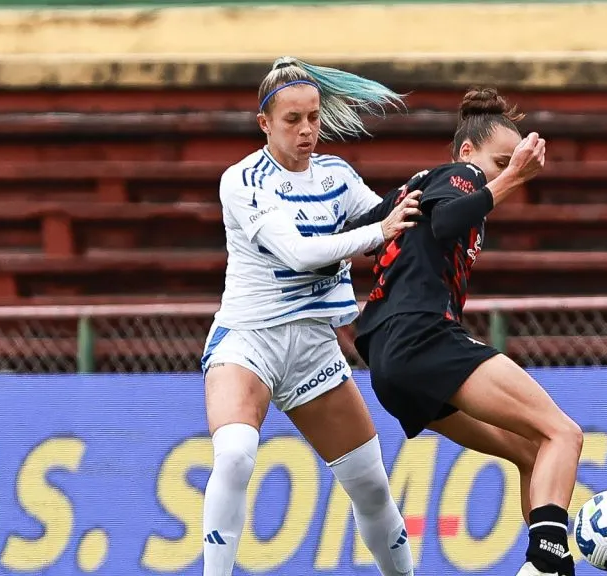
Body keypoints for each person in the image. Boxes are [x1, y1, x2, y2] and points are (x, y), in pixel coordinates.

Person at [199, 56, 421, 576]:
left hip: (313, 348)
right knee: (234, 454)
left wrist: (446, 194)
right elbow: (301, 254)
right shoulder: (243, 180)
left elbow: (385, 217)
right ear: (264, 124)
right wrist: (382, 230)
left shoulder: (336, 175)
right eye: (292, 120)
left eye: (314, 118)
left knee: (370, 486)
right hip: (250, 342)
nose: (306, 131)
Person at [353, 88, 584, 576]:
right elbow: (448, 219)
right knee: (563, 433)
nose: (504, 171)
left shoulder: (408, 192)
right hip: (423, 338)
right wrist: (512, 179)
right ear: (467, 151)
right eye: (500, 160)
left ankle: (548, 567)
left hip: (388, 365)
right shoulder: (460, 177)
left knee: (532, 450)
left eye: (510, 164)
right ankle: (546, 565)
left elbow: (356, 238)